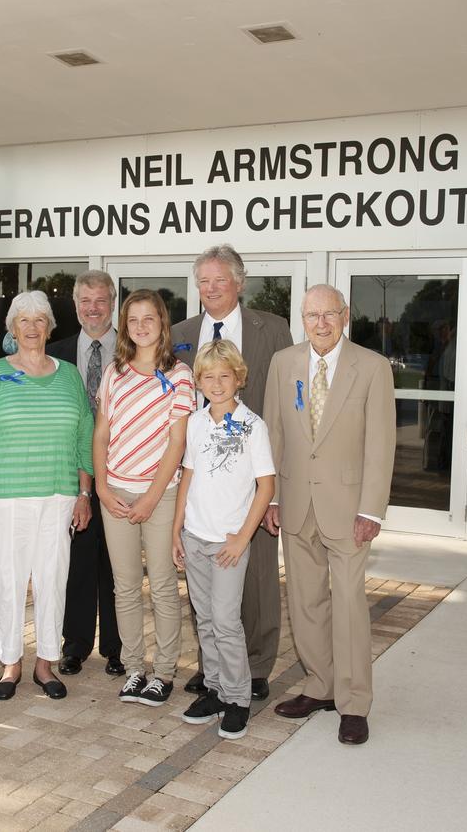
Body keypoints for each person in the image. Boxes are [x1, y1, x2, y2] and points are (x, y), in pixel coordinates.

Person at [262, 284, 394, 746]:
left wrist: (371, 509)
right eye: (311, 314)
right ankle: (320, 687)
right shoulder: (285, 363)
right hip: (297, 505)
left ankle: (354, 701)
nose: (320, 323)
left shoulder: (372, 368)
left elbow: (381, 444)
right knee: (305, 602)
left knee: (350, 606)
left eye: (328, 314)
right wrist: (272, 497)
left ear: (345, 315)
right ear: (303, 318)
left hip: (348, 510)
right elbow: (274, 432)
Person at [171, 244, 292, 701]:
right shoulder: (181, 333)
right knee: (206, 590)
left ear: (240, 283)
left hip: (252, 472)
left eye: (220, 280)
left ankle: (257, 666)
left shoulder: (272, 329)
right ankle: (214, 669)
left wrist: (275, 491)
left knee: (258, 574)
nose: (211, 289)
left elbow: (281, 407)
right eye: (204, 281)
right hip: (200, 470)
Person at [0, 291, 93, 701]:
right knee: (10, 581)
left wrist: (84, 493)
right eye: (24, 320)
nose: (33, 327)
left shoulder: (70, 375)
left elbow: (84, 438)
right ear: (12, 328)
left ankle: (46, 664)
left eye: (40, 320)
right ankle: (10, 663)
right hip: (5, 497)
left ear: (50, 326)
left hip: (59, 497)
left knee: (53, 580)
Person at [95, 289, 195, 707]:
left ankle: (164, 672)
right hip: (114, 494)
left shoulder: (181, 374)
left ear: (162, 322)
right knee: (125, 587)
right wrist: (101, 486)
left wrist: (152, 498)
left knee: (164, 587)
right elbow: (101, 433)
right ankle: (135, 668)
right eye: (132, 319)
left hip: (161, 495)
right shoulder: (114, 372)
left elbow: (177, 444)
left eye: (148, 318)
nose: (140, 326)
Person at [172, 340, 275, 740]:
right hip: (194, 536)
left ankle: (237, 699)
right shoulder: (195, 423)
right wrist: (176, 530)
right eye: (208, 377)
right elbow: (189, 476)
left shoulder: (253, 427)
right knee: (207, 619)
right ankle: (214, 689)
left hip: (228, 543)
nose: (216, 384)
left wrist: (242, 538)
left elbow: (265, 487)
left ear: (239, 379)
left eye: (224, 376)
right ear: (198, 381)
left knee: (228, 621)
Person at [45, 271, 123, 678]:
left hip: (119, 474)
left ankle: (116, 647)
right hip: (70, 476)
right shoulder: (54, 353)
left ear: (113, 302)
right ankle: (74, 645)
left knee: (117, 564)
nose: (93, 308)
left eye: (101, 300)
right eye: (85, 301)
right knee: (74, 563)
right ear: (75, 306)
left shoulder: (131, 351)